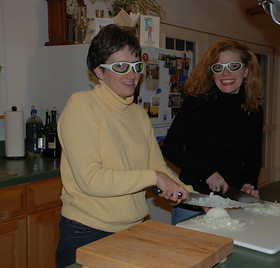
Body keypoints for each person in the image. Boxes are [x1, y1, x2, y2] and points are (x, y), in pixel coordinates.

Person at [55, 24, 191, 268]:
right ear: (98, 71)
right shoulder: (81, 106)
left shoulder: (138, 114)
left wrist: (192, 194)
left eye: (136, 66)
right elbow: (91, 179)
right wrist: (154, 177)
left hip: (135, 230)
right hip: (87, 234)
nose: (131, 75)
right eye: (120, 67)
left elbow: (158, 167)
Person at [162, 39, 264, 224]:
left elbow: (253, 157)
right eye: (218, 68)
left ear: (246, 70)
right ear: (212, 72)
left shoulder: (253, 110)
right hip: (193, 205)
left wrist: (249, 184)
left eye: (233, 66)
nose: (226, 73)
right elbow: (170, 148)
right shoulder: (196, 103)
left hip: (233, 205)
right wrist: (207, 172)